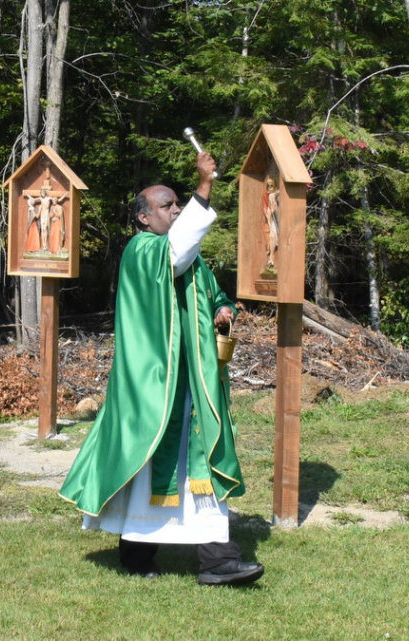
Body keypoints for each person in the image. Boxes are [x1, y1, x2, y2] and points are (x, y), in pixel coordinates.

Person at [59, 152, 263, 586]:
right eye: (166, 205)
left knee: (190, 461)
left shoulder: (186, 255)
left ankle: (155, 554)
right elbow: (178, 252)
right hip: (155, 381)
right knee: (152, 457)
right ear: (142, 218)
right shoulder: (143, 249)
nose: (175, 210)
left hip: (190, 378)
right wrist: (203, 187)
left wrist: (223, 308)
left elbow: (209, 289)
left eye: (177, 203)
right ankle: (208, 558)